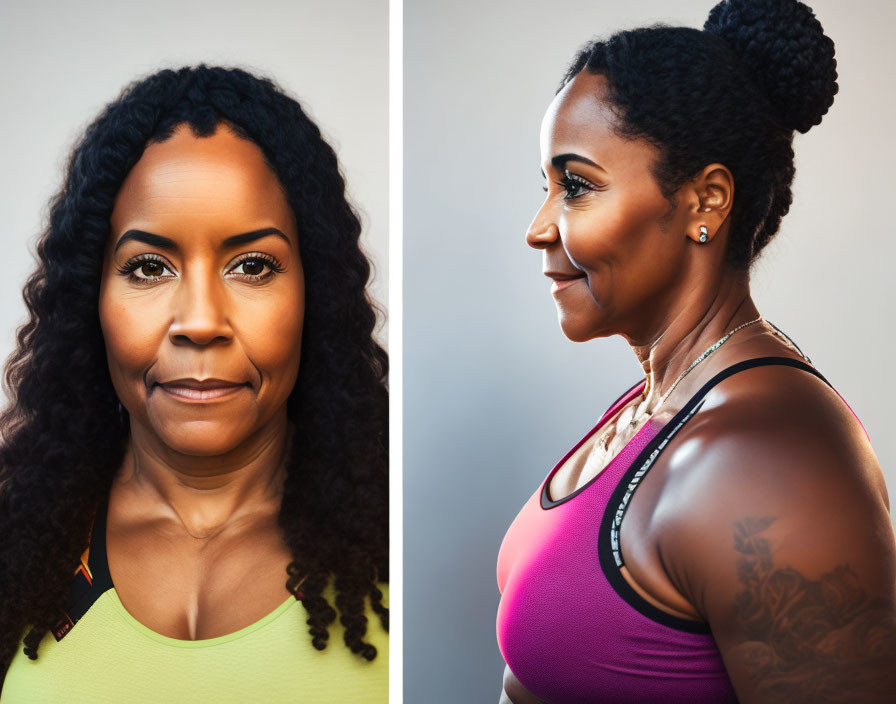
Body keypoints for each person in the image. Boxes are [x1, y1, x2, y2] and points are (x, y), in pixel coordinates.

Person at [495, 1, 895, 702]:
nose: (538, 228)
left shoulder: (769, 462)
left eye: (577, 186)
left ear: (706, 200)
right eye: (547, 187)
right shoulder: (657, 405)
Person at [0, 65, 388, 702]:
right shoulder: (17, 552)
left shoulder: (392, 548)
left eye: (253, 265)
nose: (201, 322)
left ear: (313, 293)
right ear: (89, 299)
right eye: (149, 267)